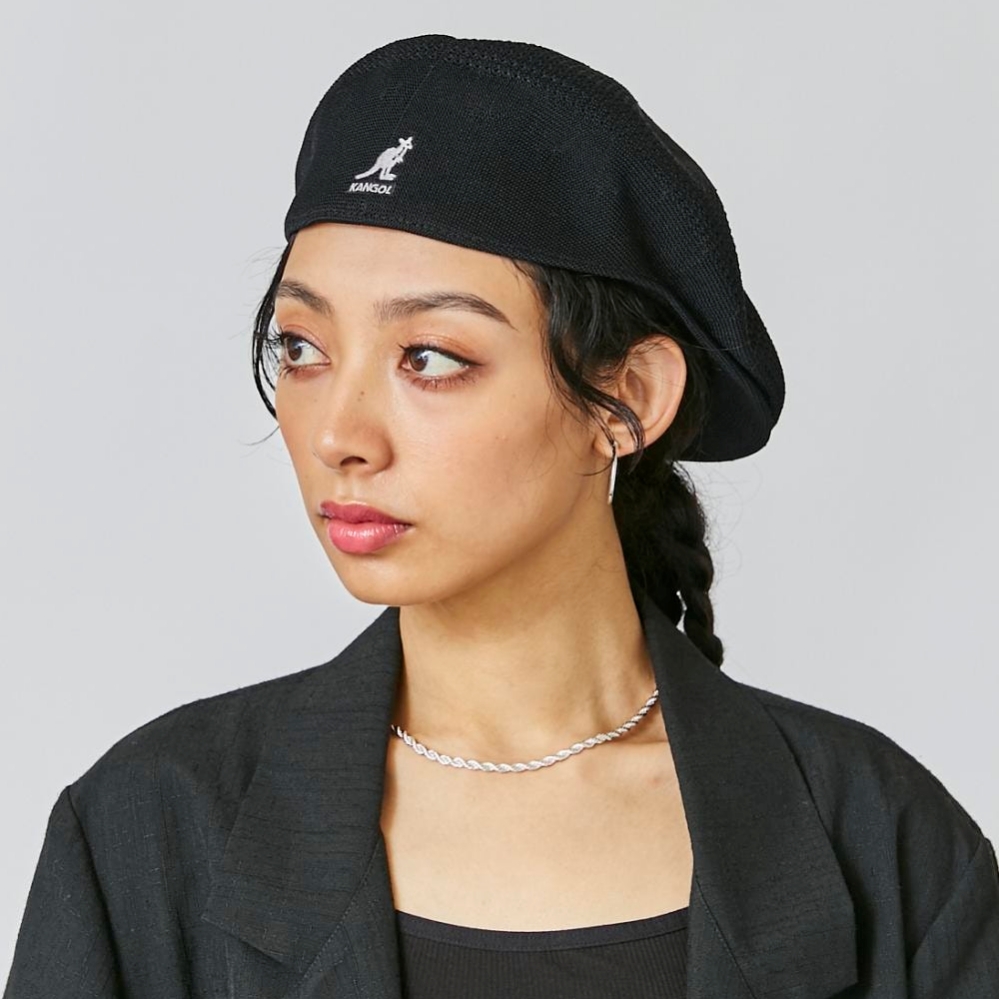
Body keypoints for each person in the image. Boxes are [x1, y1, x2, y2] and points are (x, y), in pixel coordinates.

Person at [4, 32, 998, 999]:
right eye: (302, 348)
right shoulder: (148, 834)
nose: (339, 433)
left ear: (626, 401)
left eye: (429, 358)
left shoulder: (882, 845)